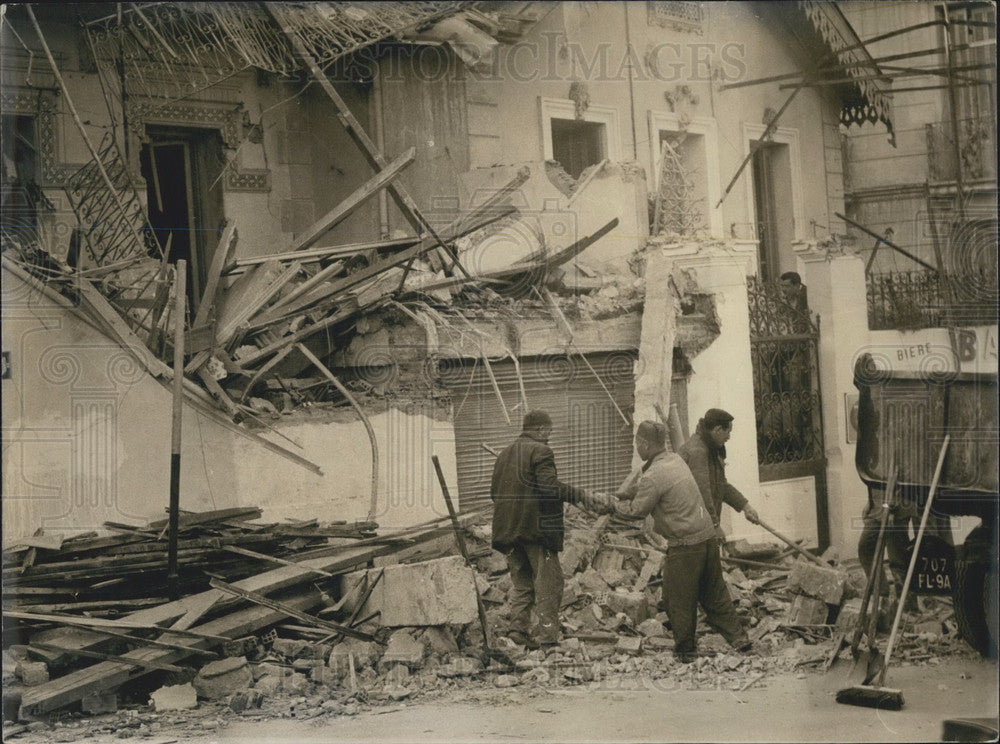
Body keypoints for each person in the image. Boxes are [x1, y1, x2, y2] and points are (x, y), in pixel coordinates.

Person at [615, 421, 751, 661]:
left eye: (637, 443)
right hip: (707, 538)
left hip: (686, 545)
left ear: (645, 444)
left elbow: (635, 512)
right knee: (715, 594)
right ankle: (740, 640)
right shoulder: (674, 460)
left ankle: (686, 652)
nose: (636, 447)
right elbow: (654, 486)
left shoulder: (654, 474)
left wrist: (610, 505)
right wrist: (632, 491)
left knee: (677, 598)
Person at [490, 410, 611, 648]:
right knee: (549, 584)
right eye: (549, 432)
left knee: (522, 584)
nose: (549, 437)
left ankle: (518, 631)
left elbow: (494, 493)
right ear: (541, 429)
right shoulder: (541, 451)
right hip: (535, 532)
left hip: (507, 533)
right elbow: (548, 487)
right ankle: (547, 638)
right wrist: (581, 495)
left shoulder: (504, 454)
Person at [679, 409, 760, 538]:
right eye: (728, 432)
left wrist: (745, 506)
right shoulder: (697, 451)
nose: (729, 437)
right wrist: (714, 526)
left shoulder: (710, 448)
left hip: (702, 526)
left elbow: (721, 485)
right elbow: (701, 493)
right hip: (693, 529)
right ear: (717, 430)